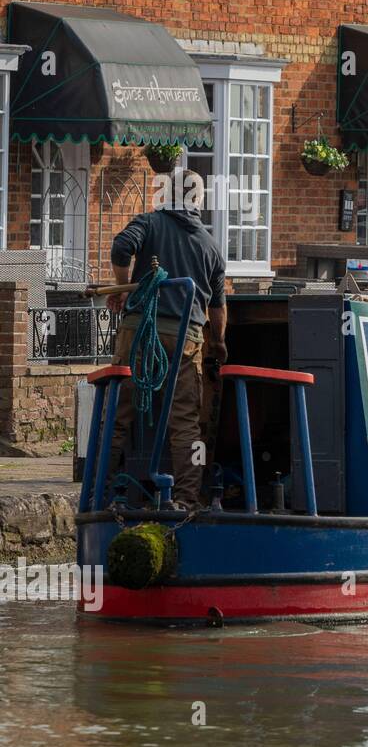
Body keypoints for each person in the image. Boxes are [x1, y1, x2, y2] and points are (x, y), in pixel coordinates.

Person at [107, 170, 227, 509]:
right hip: (187, 341)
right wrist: (218, 343)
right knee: (185, 424)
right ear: (199, 201)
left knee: (117, 416)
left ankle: (99, 495)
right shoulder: (211, 246)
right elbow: (217, 308)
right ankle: (187, 501)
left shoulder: (148, 222)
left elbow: (121, 247)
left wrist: (122, 287)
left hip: (140, 334)